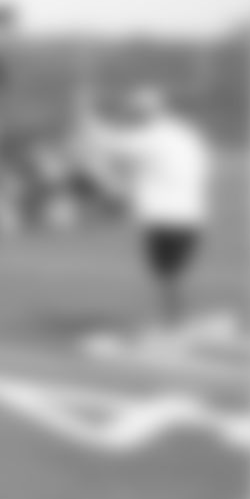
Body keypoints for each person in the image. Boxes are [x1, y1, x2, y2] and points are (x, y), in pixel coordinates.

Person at [93, 87, 215, 329]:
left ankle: (174, 321)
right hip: (192, 214)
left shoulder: (151, 137)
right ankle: (174, 319)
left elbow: (111, 145)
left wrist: (89, 120)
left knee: (166, 273)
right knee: (170, 274)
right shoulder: (184, 134)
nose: (132, 117)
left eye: (135, 112)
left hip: (163, 216)